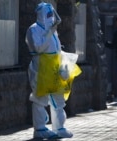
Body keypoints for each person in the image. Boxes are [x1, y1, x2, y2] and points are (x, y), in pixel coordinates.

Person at [25, 2, 73, 139]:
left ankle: (59, 127)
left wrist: (63, 64)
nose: (51, 17)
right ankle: (40, 129)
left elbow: (57, 48)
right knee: (40, 98)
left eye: (52, 14)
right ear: (41, 15)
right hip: (40, 68)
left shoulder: (52, 30)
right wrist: (49, 32)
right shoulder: (33, 30)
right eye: (48, 14)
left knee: (58, 100)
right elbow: (38, 48)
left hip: (55, 68)